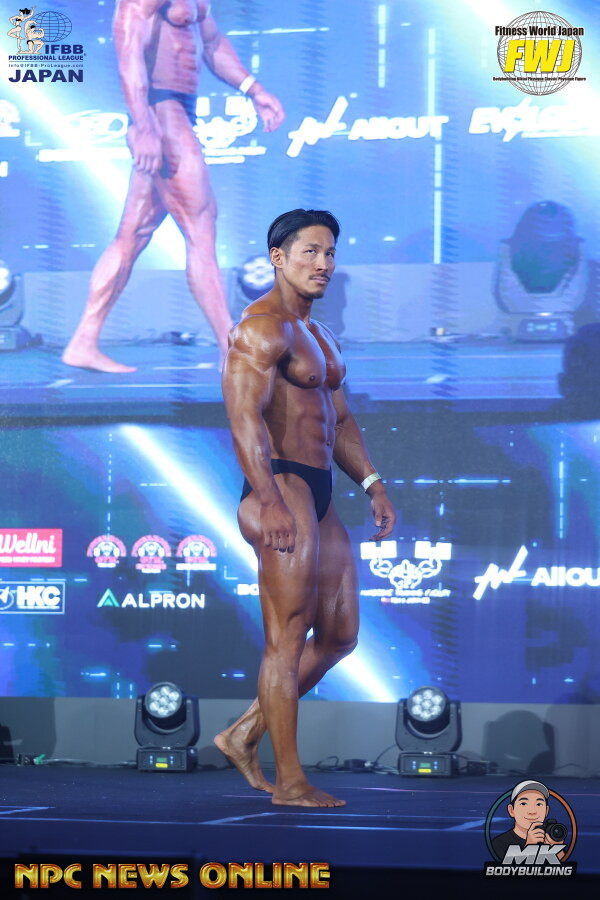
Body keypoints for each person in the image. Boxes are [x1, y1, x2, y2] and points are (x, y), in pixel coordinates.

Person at [216, 209, 396, 807]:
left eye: (330, 253)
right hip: (281, 484)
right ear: (278, 257)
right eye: (311, 252)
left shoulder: (321, 337)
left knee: (340, 634)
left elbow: (339, 421)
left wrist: (372, 483)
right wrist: (267, 497)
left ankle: (244, 734)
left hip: (319, 489)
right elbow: (243, 417)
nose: (323, 264)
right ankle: (290, 781)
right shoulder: (260, 328)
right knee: (287, 638)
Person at [62, 0, 284, 373]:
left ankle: (83, 341)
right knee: (201, 225)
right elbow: (129, 51)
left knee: (131, 236)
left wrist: (254, 89)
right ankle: (232, 350)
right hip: (160, 110)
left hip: (177, 107)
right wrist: (143, 124)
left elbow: (212, 44)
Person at [491, 780, 566, 861]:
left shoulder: (551, 838)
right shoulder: (499, 843)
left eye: (539, 804)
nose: (532, 811)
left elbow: (567, 866)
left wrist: (557, 849)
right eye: (523, 803)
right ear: (511, 810)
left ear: (546, 811)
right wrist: (529, 846)